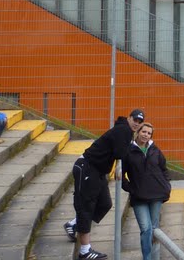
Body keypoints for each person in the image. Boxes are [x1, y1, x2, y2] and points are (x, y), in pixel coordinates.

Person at [65, 109, 146, 260]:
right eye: (135, 119)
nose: (137, 123)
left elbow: (120, 152)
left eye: (140, 122)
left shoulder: (125, 131)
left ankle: (74, 224)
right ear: (129, 118)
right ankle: (85, 251)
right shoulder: (124, 130)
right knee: (86, 207)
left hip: (98, 171)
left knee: (105, 204)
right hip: (87, 167)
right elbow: (120, 153)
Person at [122, 122, 171, 260]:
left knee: (154, 229)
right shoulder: (128, 151)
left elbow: (164, 169)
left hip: (157, 195)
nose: (146, 135)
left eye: (149, 133)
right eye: (144, 132)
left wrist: (166, 186)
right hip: (139, 197)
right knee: (146, 229)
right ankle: (147, 258)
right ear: (138, 132)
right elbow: (121, 175)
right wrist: (131, 188)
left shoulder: (155, 150)